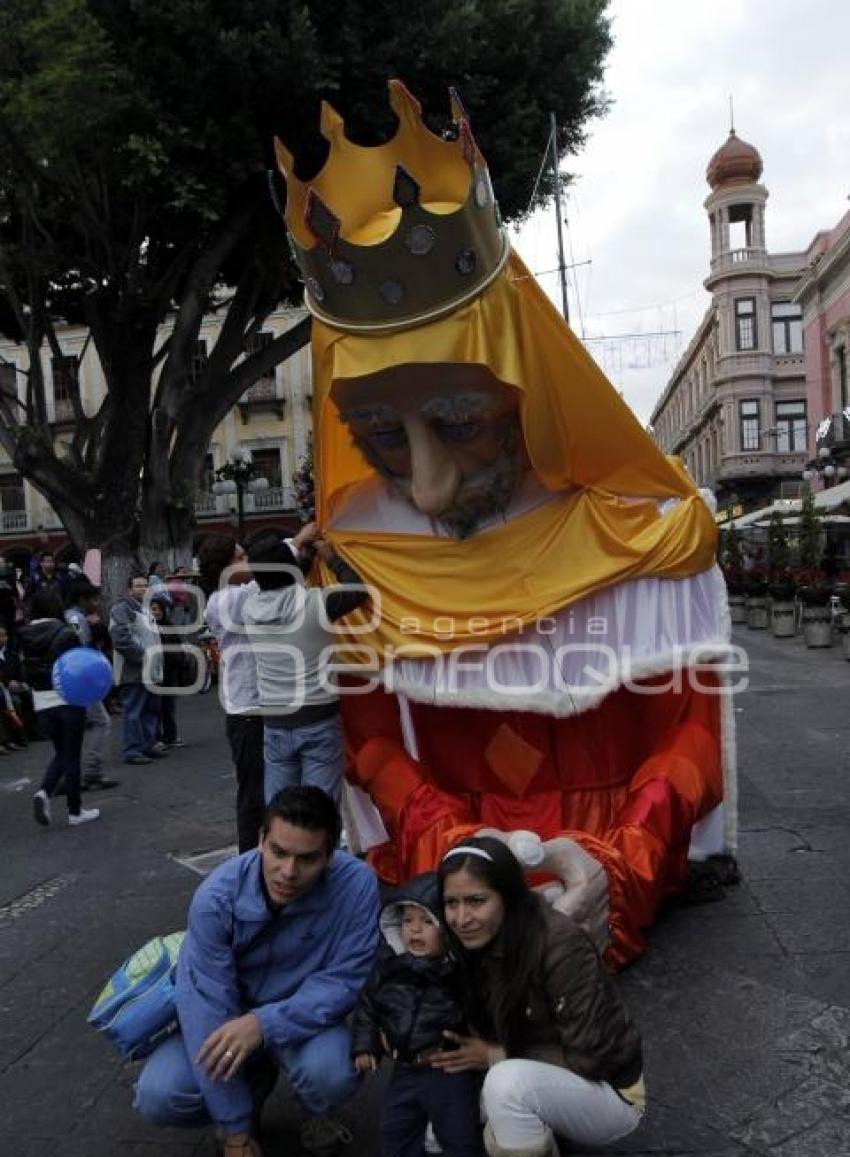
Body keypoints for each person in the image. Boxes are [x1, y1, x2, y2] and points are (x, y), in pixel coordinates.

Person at [274, 80, 734, 968]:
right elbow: (370, 742)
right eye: (381, 439)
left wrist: (614, 870)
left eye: (458, 421)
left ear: (526, 388)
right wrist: (454, 862)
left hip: (597, 863)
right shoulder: (359, 552)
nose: (433, 488)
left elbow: (690, 739)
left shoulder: (652, 531)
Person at [133, 785, 380, 1157]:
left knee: (332, 1072)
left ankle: (315, 1110)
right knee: (159, 1094)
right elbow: (205, 1005)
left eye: (308, 859)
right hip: (227, 1017)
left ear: (331, 856)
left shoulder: (357, 884)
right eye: (278, 852)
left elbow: (344, 980)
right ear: (261, 839)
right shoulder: (215, 897)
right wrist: (235, 1131)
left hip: (303, 1019)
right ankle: (249, 1093)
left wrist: (264, 1024)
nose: (288, 871)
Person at [434, 835, 644, 1157]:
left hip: (612, 1091)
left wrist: (496, 1056)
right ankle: (536, 1150)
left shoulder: (559, 943)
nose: (461, 917)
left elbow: (590, 1057)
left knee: (505, 1087)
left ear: (508, 896)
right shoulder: (471, 940)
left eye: (476, 901)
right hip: (548, 1069)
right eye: (451, 903)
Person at [352, 871, 491, 1157]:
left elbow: (480, 1011)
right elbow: (367, 1008)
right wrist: (365, 1044)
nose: (415, 930)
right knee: (392, 1132)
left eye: (426, 921)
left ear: (446, 930)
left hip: (449, 1067)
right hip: (407, 1070)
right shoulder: (388, 968)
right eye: (408, 920)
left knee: (462, 1135)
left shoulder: (458, 974)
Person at [200, 525, 319, 854]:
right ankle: (251, 862)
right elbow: (269, 576)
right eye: (240, 558)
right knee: (254, 796)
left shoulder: (244, 594)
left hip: (267, 707)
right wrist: (295, 543)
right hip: (249, 713)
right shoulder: (224, 601)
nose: (248, 562)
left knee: (279, 791)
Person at [243, 530, 368, 806]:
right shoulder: (316, 603)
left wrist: (305, 558)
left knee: (279, 809)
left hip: (275, 721)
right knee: (320, 811)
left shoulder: (249, 609)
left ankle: (279, 847)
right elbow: (357, 590)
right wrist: (331, 558)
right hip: (319, 719)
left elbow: (282, 581)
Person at [16, 589, 100, 826]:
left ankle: (46, 793)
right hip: (68, 698)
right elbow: (78, 664)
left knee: (62, 752)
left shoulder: (24, 634)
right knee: (71, 755)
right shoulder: (65, 632)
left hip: (41, 701)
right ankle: (73, 810)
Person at [64, 578, 119, 791]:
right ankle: (90, 772)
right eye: (93, 599)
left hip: (72, 679)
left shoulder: (72, 616)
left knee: (78, 727)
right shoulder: (77, 619)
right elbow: (80, 650)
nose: (96, 603)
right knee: (101, 722)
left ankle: (76, 774)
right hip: (79, 680)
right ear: (82, 599)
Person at [109, 573, 166, 765]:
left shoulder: (144, 608)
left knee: (150, 709)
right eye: (138, 586)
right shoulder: (122, 609)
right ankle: (133, 750)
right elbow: (120, 639)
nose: (143, 589)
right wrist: (144, 656)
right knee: (134, 710)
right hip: (133, 670)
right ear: (129, 589)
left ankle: (147, 745)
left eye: (145, 585)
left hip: (149, 670)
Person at [148, 596, 188, 749]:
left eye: (158, 609)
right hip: (158, 673)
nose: (155, 612)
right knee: (156, 707)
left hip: (170, 673)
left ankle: (170, 736)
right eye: (153, 609)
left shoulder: (169, 626)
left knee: (169, 707)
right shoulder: (150, 629)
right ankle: (156, 737)